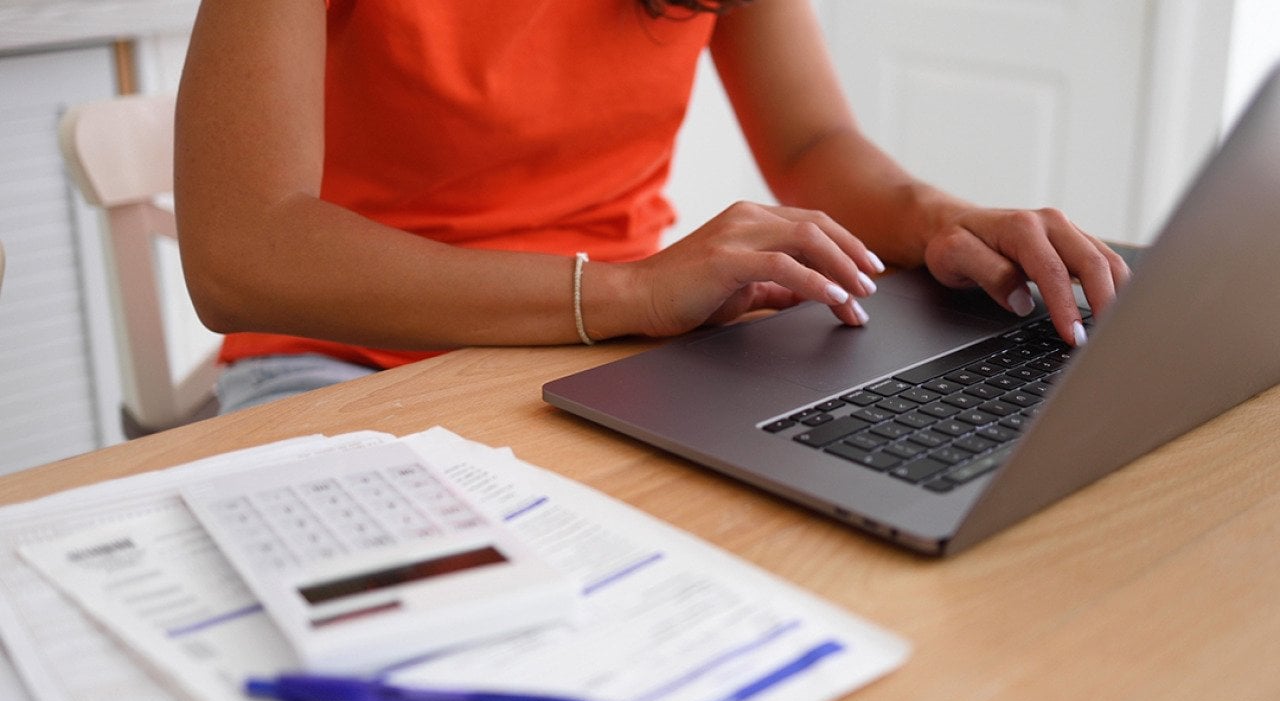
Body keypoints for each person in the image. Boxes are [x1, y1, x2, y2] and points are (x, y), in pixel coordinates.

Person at [174, 0, 1130, 415]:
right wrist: (627, 294)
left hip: (623, 358)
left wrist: (940, 220)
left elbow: (809, 145)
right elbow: (240, 255)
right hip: (347, 357)